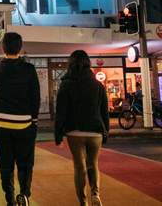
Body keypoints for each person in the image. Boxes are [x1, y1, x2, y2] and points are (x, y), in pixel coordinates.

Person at [0, 32, 40, 206]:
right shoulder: (29, 69)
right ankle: (24, 193)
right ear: (20, 47)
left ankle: (9, 198)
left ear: (3, 48)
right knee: (25, 163)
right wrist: (34, 120)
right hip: (24, 123)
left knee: (6, 165)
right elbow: (35, 97)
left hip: (1, 123)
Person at [55, 50, 109, 206]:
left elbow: (61, 112)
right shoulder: (98, 85)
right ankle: (95, 194)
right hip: (95, 131)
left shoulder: (66, 84)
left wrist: (58, 134)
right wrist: (106, 131)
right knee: (93, 163)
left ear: (71, 64)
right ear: (88, 64)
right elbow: (103, 111)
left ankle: (83, 202)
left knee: (79, 167)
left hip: (74, 132)